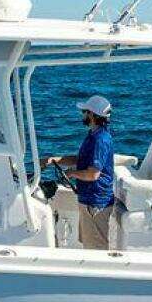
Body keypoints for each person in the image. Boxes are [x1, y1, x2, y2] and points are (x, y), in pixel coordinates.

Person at [44, 94, 116, 250]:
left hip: (95, 202)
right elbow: (82, 160)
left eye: (85, 111)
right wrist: (55, 160)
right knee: (89, 244)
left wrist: (71, 174)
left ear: (92, 115)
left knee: (96, 249)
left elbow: (93, 174)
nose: (82, 115)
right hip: (89, 200)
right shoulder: (93, 135)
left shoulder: (100, 140)